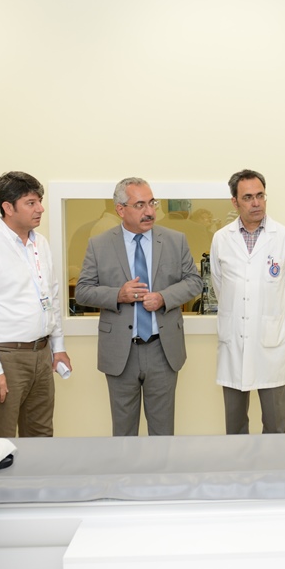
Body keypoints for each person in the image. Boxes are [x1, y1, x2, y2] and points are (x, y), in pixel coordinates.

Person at [74, 177, 202, 436]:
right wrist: (118, 295)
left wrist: (163, 297)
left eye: (152, 203)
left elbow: (194, 282)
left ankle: (161, 466)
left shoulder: (175, 240)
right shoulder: (99, 245)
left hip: (162, 350)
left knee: (163, 433)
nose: (150, 211)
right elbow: (83, 291)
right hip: (121, 352)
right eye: (140, 205)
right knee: (124, 433)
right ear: (120, 210)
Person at [0, 171, 72, 438]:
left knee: (41, 434)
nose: (40, 209)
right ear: (8, 207)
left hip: (42, 353)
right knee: (0, 438)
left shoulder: (40, 243)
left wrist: (58, 347)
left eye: (40, 201)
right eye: (31, 203)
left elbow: (52, 296)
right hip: (6, 357)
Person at [210, 169, 285, 434]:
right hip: (234, 339)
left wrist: (267, 310)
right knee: (235, 424)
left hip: (271, 342)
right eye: (248, 197)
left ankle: (273, 462)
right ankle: (239, 462)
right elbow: (219, 285)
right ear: (235, 201)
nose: (256, 203)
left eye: (260, 196)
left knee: (275, 424)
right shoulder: (221, 239)